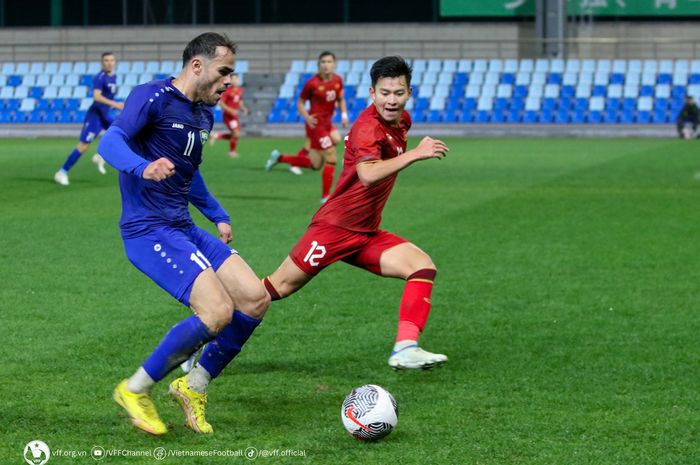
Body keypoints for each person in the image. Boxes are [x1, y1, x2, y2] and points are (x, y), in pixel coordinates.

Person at [97, 32, 269, 436]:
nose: (229, 82)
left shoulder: (203, 115)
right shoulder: (152, 97)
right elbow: (111, 140)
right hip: (148, 229)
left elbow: (189, 175)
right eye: (224, 71)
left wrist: (217, 213)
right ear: (197, 66)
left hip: (184, 226)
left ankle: (194, 385)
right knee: (216, 312)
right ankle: (134, 389)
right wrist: (143, 167)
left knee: (254, 298)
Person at [263, 56, 448, 370]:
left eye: (398, 93)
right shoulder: (367, 128)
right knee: (275, 289)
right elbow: (368, 174)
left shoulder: (403, 120)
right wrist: (416, 154)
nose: (392, 100)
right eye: (385, 93)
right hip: (334, 228)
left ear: (409, 93)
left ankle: (405, 348)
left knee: (421, 266)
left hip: (364, 233)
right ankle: (209, 331)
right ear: (372, 93)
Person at [265, 51, 349, 203]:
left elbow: (341, 98)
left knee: (315, 164)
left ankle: (279, 157)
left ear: (334, 64)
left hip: (327, 123)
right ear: (318, 65)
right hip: (315, 124)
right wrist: (307, 117)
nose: (326, 65)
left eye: (329, 62)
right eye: (323, 62)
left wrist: (344, 115)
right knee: (331, 155)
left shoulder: (337, 80)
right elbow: (300, 103)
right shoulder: (312, 83)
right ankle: (325, 197)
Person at [54, 52, 123, 186]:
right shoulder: (100, 77)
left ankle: (100, 156)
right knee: (84, 146)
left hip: (106, 114)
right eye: (106, 60)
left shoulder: (113, 77)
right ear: (102, 63)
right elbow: (97, 97)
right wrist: (116, 104)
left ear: (115, 62)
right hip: (95, 115)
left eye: (111, 60)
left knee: (122, 135)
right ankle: (61, 172)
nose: (109, 63)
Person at [210, 74, 249, 157]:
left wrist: (243, 108)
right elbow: (221, 104)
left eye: (236, 79)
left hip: (234, 116)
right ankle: (232, 152)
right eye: (233, 79)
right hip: (228, 116)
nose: (235, 81)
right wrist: (231, 110)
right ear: (230, 81)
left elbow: (239, 101)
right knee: (236, 134)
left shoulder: (239, 90)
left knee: (236, 134)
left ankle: (217, 135)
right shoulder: (228, 91)